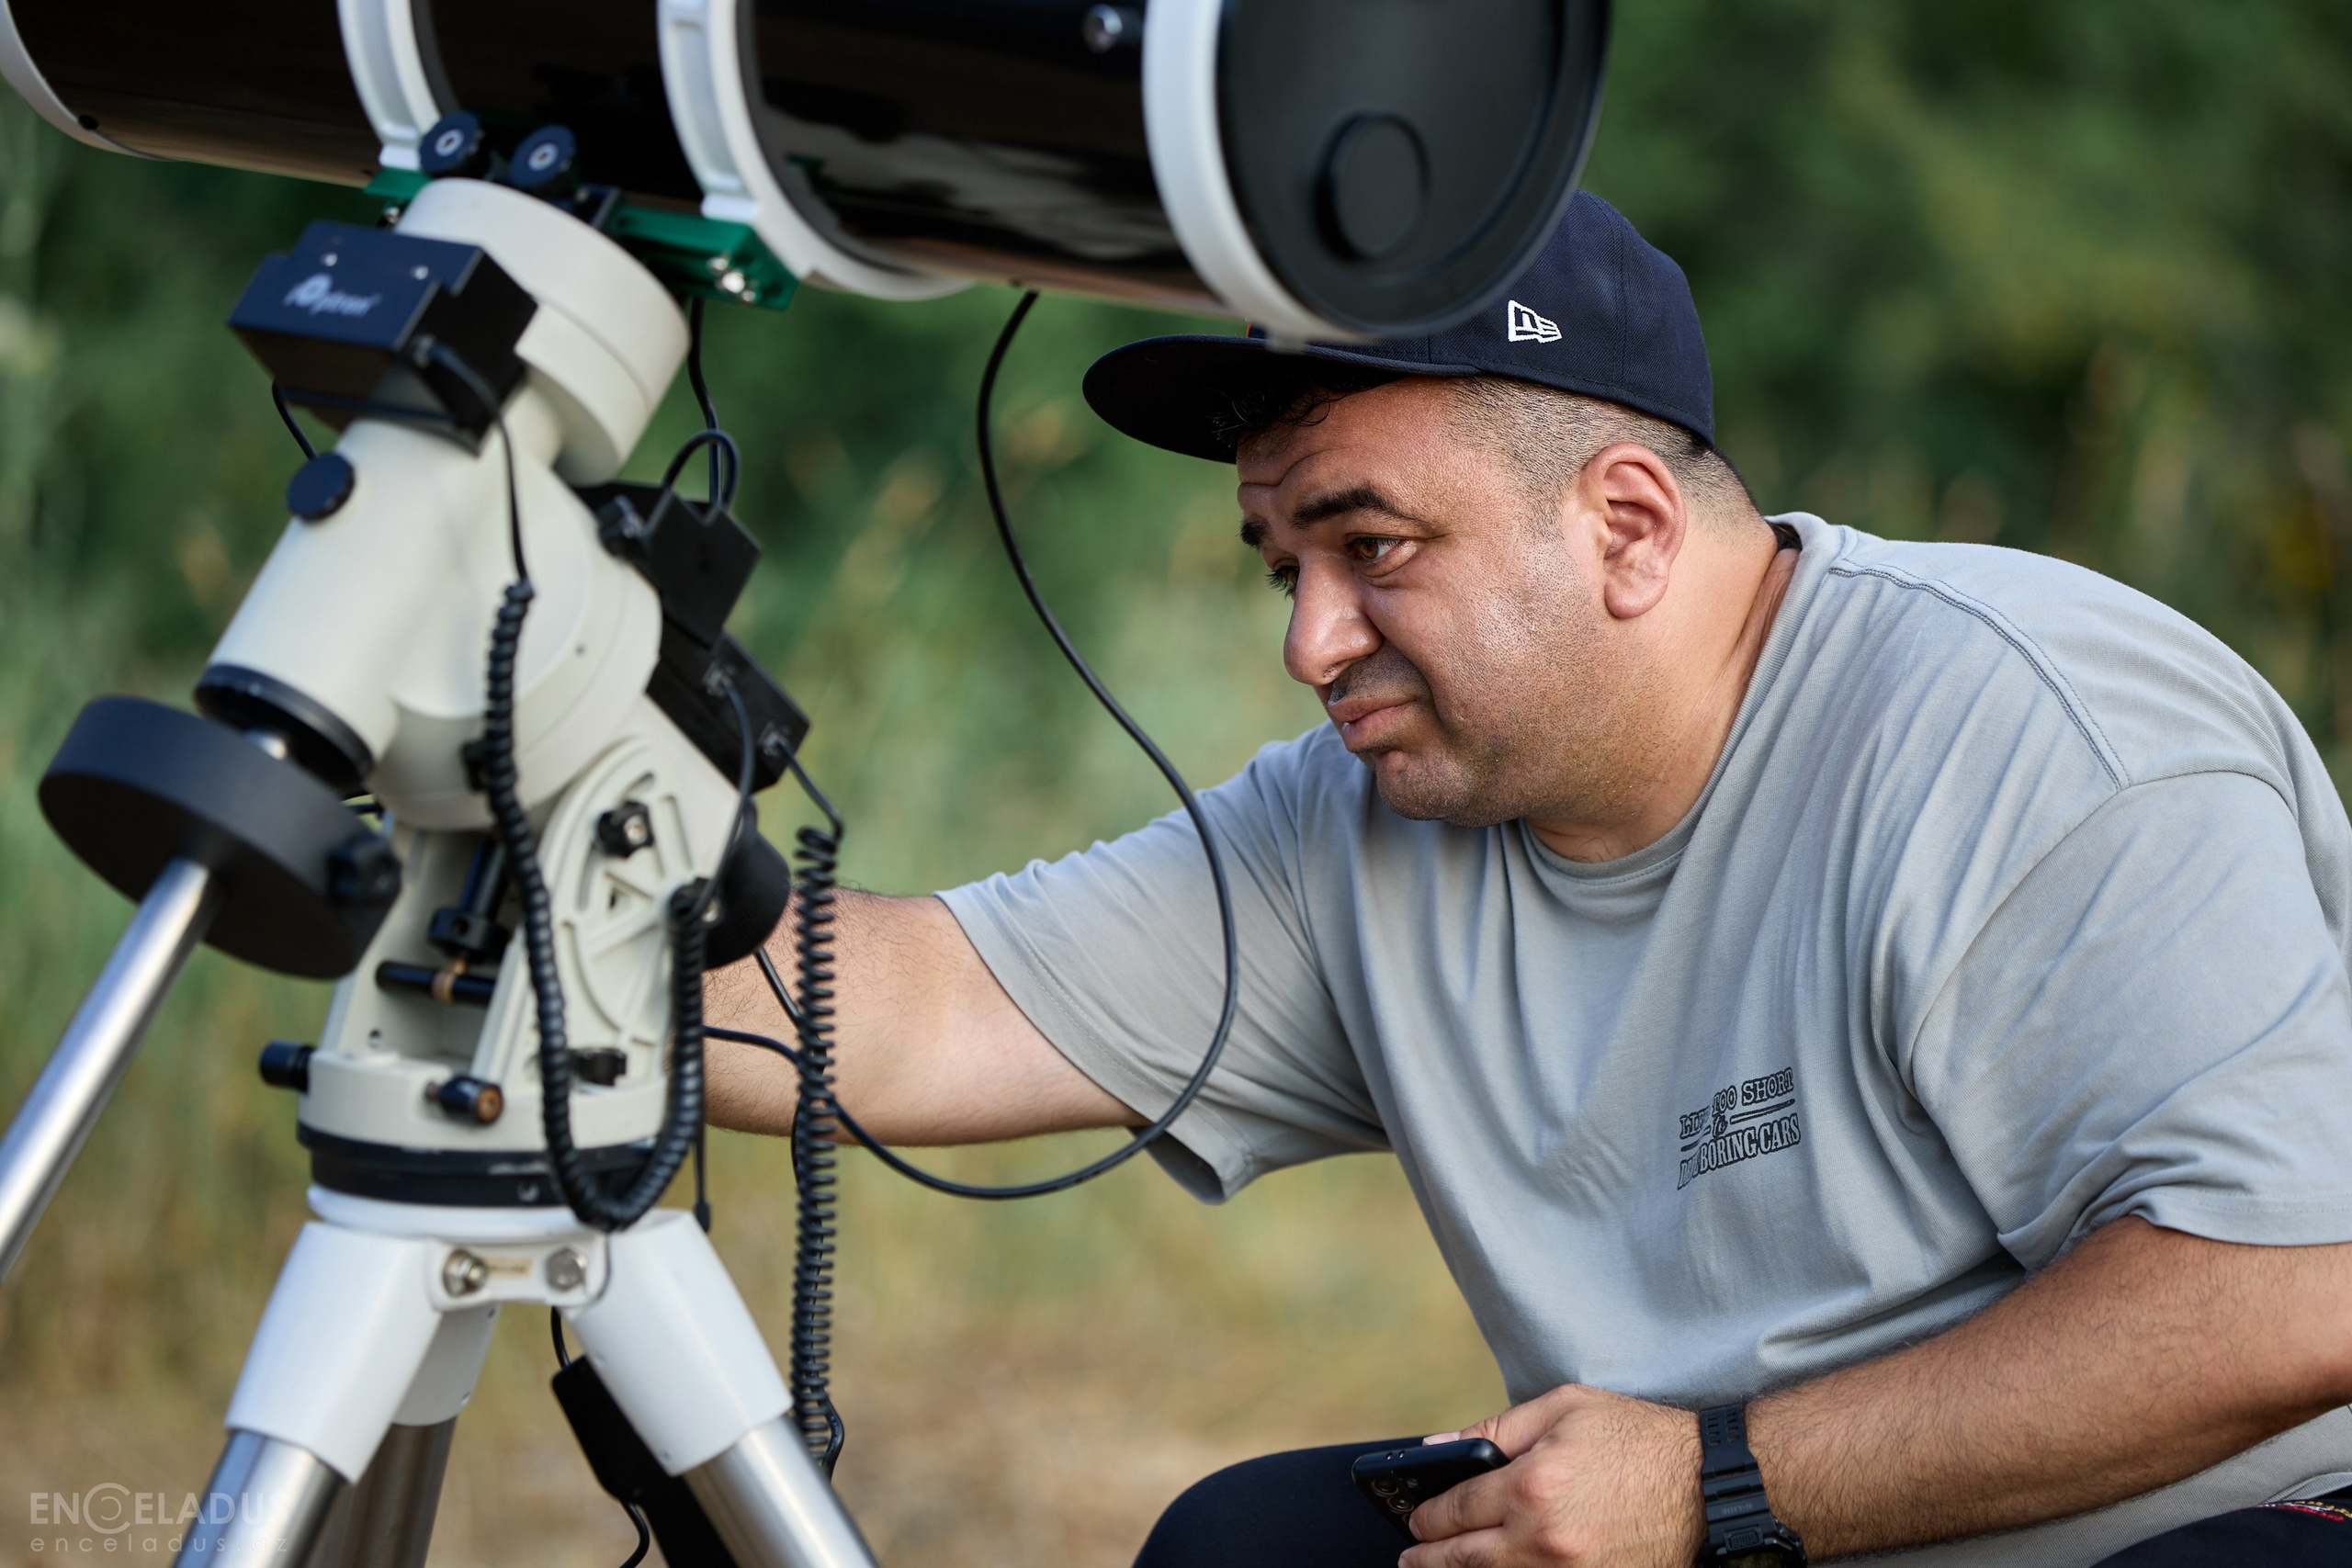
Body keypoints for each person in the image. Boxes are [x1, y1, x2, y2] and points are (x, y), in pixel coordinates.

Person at [704, 193, 2352, 1567]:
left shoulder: (2022, 722)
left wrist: (1713, 1486)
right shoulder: (1363, 819)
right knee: (1252, 1548)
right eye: (1284, 566)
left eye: (1376, 549)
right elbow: (899, 1014)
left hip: (2229, 1515)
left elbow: (2292, 1292)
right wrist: (537, 872)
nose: (1308, 644)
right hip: (1754, 1528)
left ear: (1627, 526)